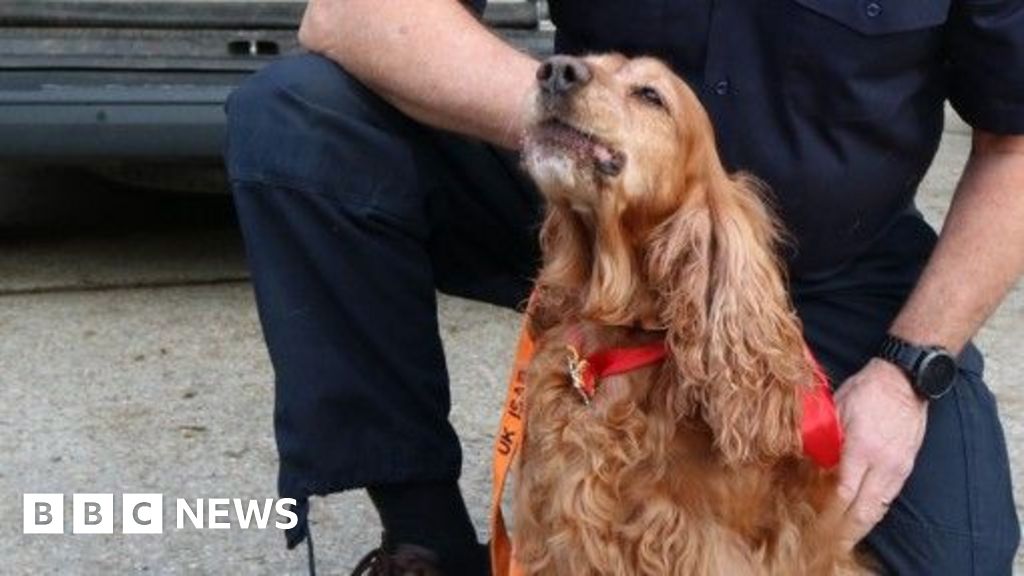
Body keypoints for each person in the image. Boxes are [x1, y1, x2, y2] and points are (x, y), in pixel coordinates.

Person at [224, 0, 1023, 573]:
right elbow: (351, 14)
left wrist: (908, 370)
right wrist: (569, 120)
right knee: (300, 119)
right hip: (579, 212)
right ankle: (424, 541)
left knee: (958, 554)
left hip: (837, 269)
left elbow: (1015, 144)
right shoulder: (576, 110)